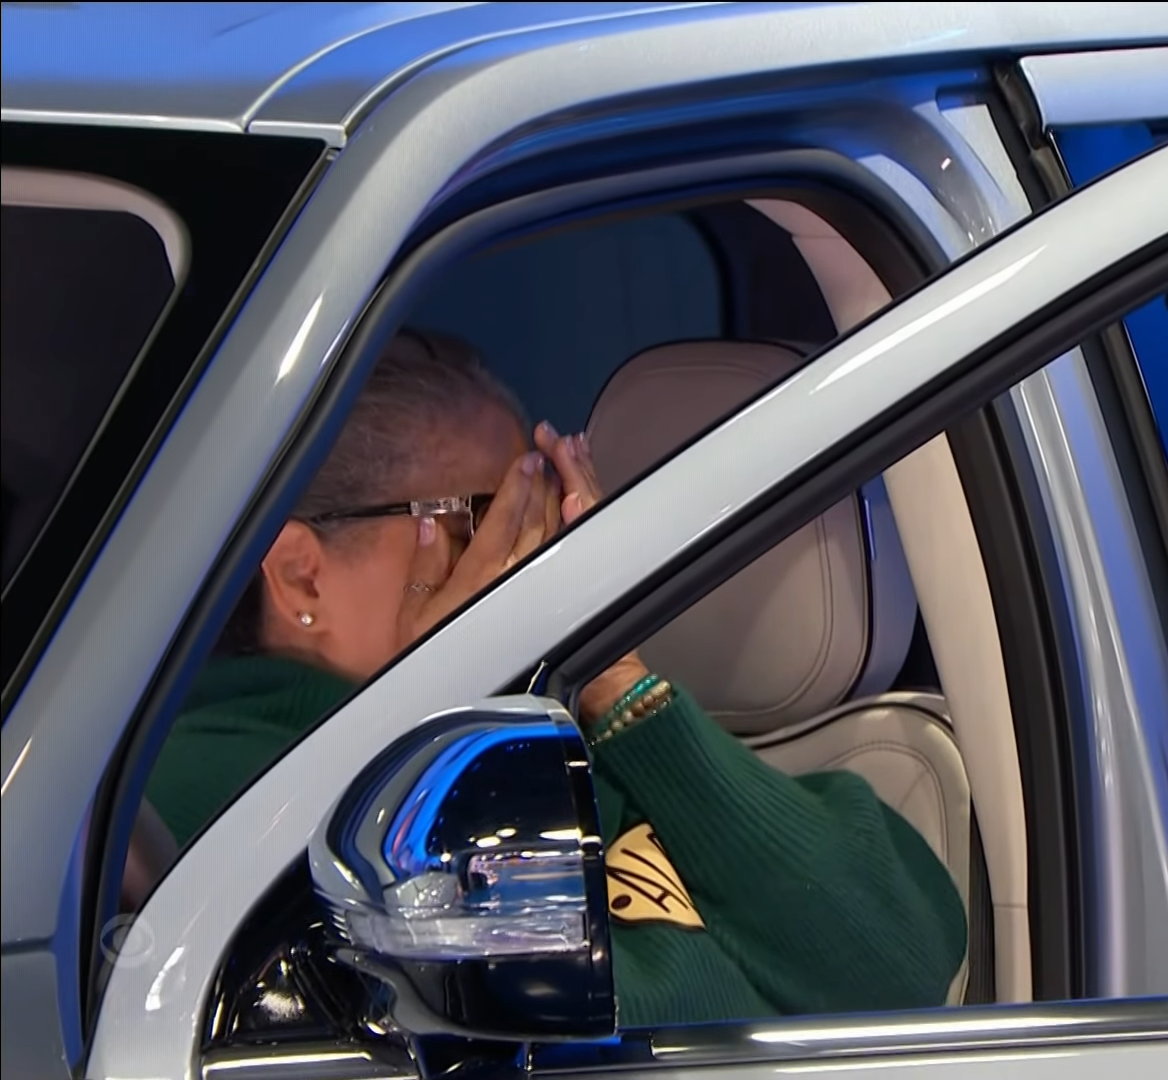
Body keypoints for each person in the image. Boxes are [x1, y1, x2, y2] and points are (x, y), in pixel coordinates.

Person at [145, 329, 966, 1025]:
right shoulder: (202, 814)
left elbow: (900, 968)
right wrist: (436, 709)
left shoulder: (596, 742)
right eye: (483, 518)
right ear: (301, 578)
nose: (536, 559)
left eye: (546, 513)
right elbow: (546, 1038)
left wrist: (618, 680)